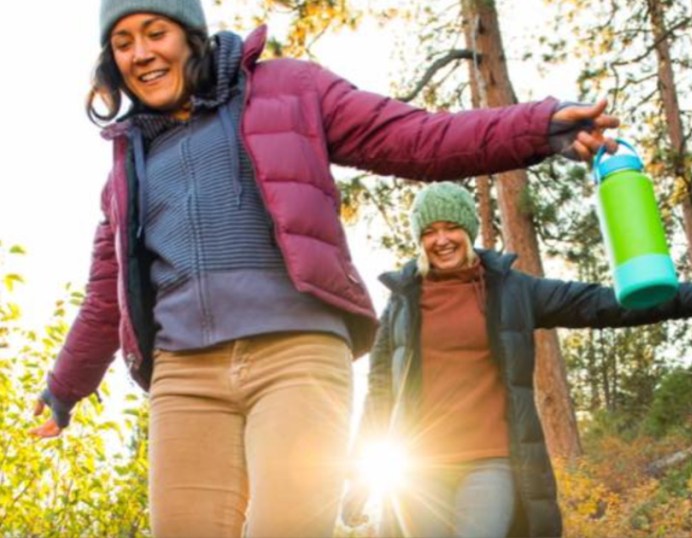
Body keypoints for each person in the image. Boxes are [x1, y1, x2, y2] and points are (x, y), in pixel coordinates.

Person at [28, 1, 620, 536]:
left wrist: (537, 127)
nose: (141, 54)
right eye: (124, 42)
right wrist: (63, 389)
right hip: (185, 376)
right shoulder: (127, 166)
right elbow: (106, 298)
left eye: (155, 33)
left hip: (295, 355)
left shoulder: (289, 89)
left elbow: (416, 138)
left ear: (190, 37)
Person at [343, 182, 692, 537]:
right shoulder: (400, 306)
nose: (442, 240)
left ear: (468, 230)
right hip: (418, 474)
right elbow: (378, 397)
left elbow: (603, 304)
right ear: (420, 239)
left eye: (451, 227)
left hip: (491, 463)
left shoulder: (512, 291)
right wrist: (360, 480)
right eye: (430, 231)